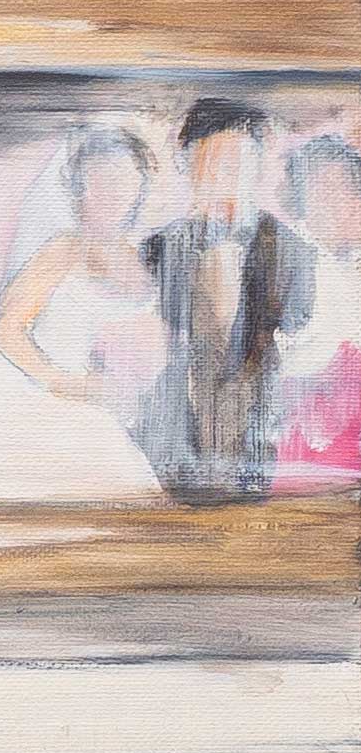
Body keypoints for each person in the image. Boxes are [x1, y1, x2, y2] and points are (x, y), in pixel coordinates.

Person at [0, 122, 171, 513]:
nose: (112, 195)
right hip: (39, 397)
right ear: (80, 189)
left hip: (100, 402)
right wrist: (61, 382)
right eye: (100, 182)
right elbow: (4, 330)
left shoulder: (140, 260)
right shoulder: (63, 251)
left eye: (122, 183)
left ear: (138, 189)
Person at [139, 96, 310, 501]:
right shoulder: (158, 249)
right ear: (187, 166)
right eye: (209, 161)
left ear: (258, 166)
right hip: (174, 455)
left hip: (263, 451)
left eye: (236, 161)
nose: (222, 174)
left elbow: (300, 350)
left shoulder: (292, 252)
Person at [264, 131, 361, 492]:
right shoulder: (293, 267)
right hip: (311, 438)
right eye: (321, 191)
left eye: (345, 189)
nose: (337, 203)